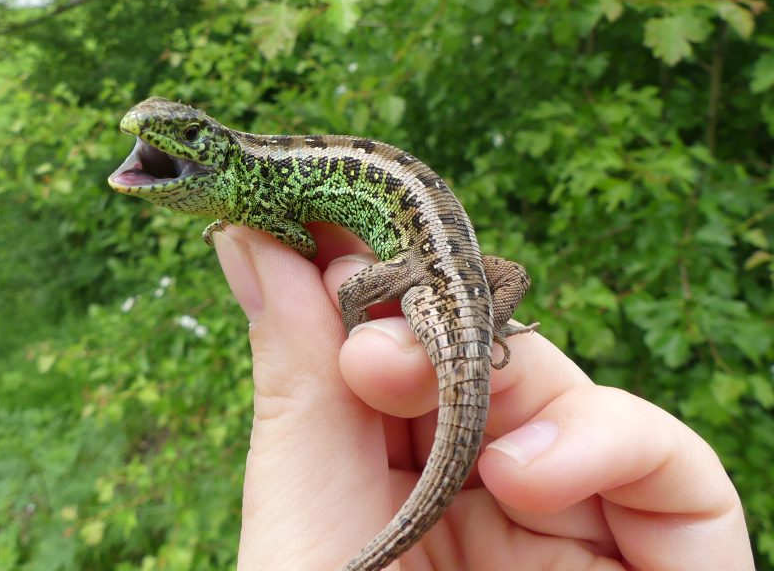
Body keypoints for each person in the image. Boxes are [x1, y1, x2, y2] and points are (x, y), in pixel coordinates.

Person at [211, 224, 755, 570]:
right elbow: (513, 275)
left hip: (428, 271)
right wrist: (487, 327)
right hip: (450, 271)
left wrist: (345, 332)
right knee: (359, 300)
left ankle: (370, 334)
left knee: (352, 295)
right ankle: (474, 327)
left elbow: (349, 286)